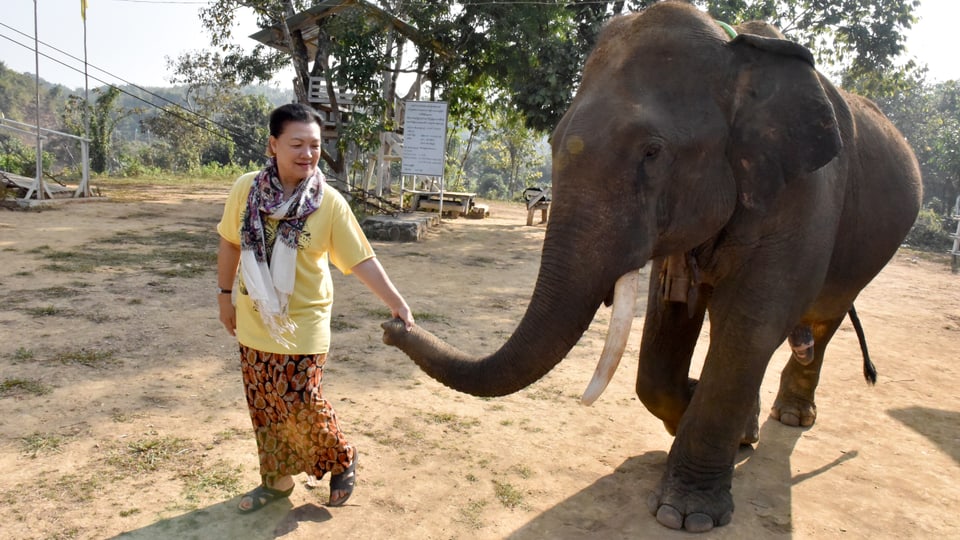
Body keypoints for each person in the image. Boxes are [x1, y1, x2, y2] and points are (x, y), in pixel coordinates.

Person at [216, 102, 415, 513]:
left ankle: (343, 457)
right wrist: (224, 295)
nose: (308, 154)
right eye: (297, 144)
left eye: (315, 145)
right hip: (255, 319)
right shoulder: (245, 190)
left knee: (301, 400)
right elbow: (231, 242)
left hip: (303, 323)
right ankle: (276, 482)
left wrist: (395, 301)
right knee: (265, 404)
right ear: (273, 145)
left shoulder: (328, 203)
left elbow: (360, 258)